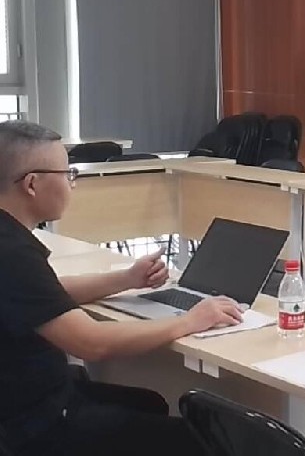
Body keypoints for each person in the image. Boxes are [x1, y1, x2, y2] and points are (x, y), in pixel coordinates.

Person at [0, 120, 243, 456]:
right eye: (68, 174)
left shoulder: (10, 239)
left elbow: (46, 295)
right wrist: (192, 320)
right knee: (200, 442)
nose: (72, 184)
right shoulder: (12, 252)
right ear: (32, 184)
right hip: (35, 427)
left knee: (151, 402)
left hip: (29, 402)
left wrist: (126, 279)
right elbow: (92, 343)